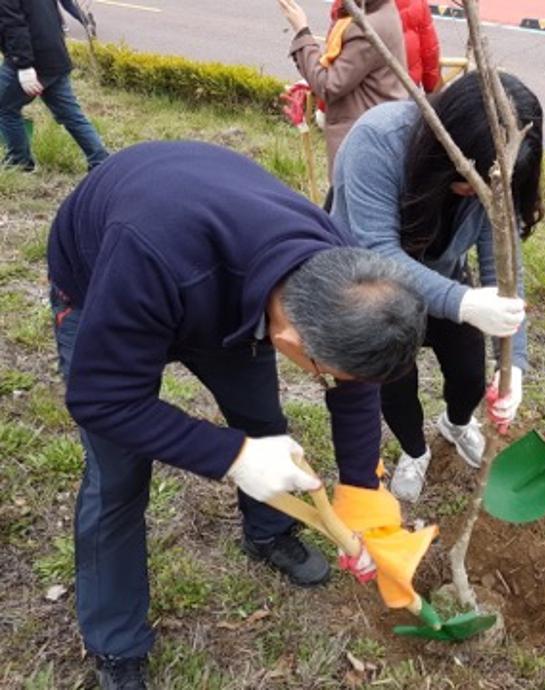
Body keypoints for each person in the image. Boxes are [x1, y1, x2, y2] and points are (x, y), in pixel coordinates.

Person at [47, 141, 426, 688]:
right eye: (325, 373)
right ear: (290, 337)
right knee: (119, 476)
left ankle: (267, 531)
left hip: (223, 287)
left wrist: (363, 496)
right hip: (106, 279)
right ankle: (116, 644)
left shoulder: (343, 274)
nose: (333, 383)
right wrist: (233, 455)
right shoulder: (150, 254)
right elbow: (100, 399)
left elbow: (355, 386)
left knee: (262, 422)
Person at [330, 72, 543, 502]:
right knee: (395, 381)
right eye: (469, 180)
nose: (474, 193)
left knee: (468, 375)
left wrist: (514, 363)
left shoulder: (493, 173)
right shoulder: (379, 140)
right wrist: (462, 302)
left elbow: (501, 264)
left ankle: (456, 424)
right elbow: (376, 253)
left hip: (444, 274)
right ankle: (415, 450)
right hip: (371, 287)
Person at [277, 0, 408, 181]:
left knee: (348, 203)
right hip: (378, 129)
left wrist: (302, 31)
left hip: (361, 142)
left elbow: (329, 86)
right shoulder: (382, 9)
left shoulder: (367, 28)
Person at [0, 0, 108, 171]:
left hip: (33, 59)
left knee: (5, 108)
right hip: (55, 54)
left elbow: (14, 26)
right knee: (71, 114)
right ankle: (101, 161)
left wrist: (24, 65)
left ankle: (19, 162)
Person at [395, 0, 441, 93]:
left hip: (370, 87)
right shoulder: (418, 2)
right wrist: (431, 86)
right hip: (408, 84)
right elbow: (429, 50)